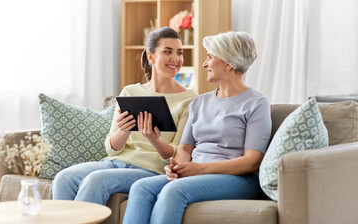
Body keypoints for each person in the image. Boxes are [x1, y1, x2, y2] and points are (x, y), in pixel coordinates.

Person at [122, 31, 272, 224]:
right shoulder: (199, 102)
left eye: (210, 57)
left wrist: (200, 169)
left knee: (174, 190)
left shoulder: (256, 103)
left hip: (237, 179)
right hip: (196, 173)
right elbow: (184, 149)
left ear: (227, 62)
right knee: (141, 188)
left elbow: (252, 161)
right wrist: (176, 168)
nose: (204, 64)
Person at [52, 27, 197, 205]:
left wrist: (153, 139)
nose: (176, 59)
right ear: (151, 57)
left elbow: (177, 154)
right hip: (115, 163)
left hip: (151, 170)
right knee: (63, 177)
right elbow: (111, 148)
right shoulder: (130, 91)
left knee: (95, 181)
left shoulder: (189, 100)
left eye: (179, 53)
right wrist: (124, 131)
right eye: (168, 52)